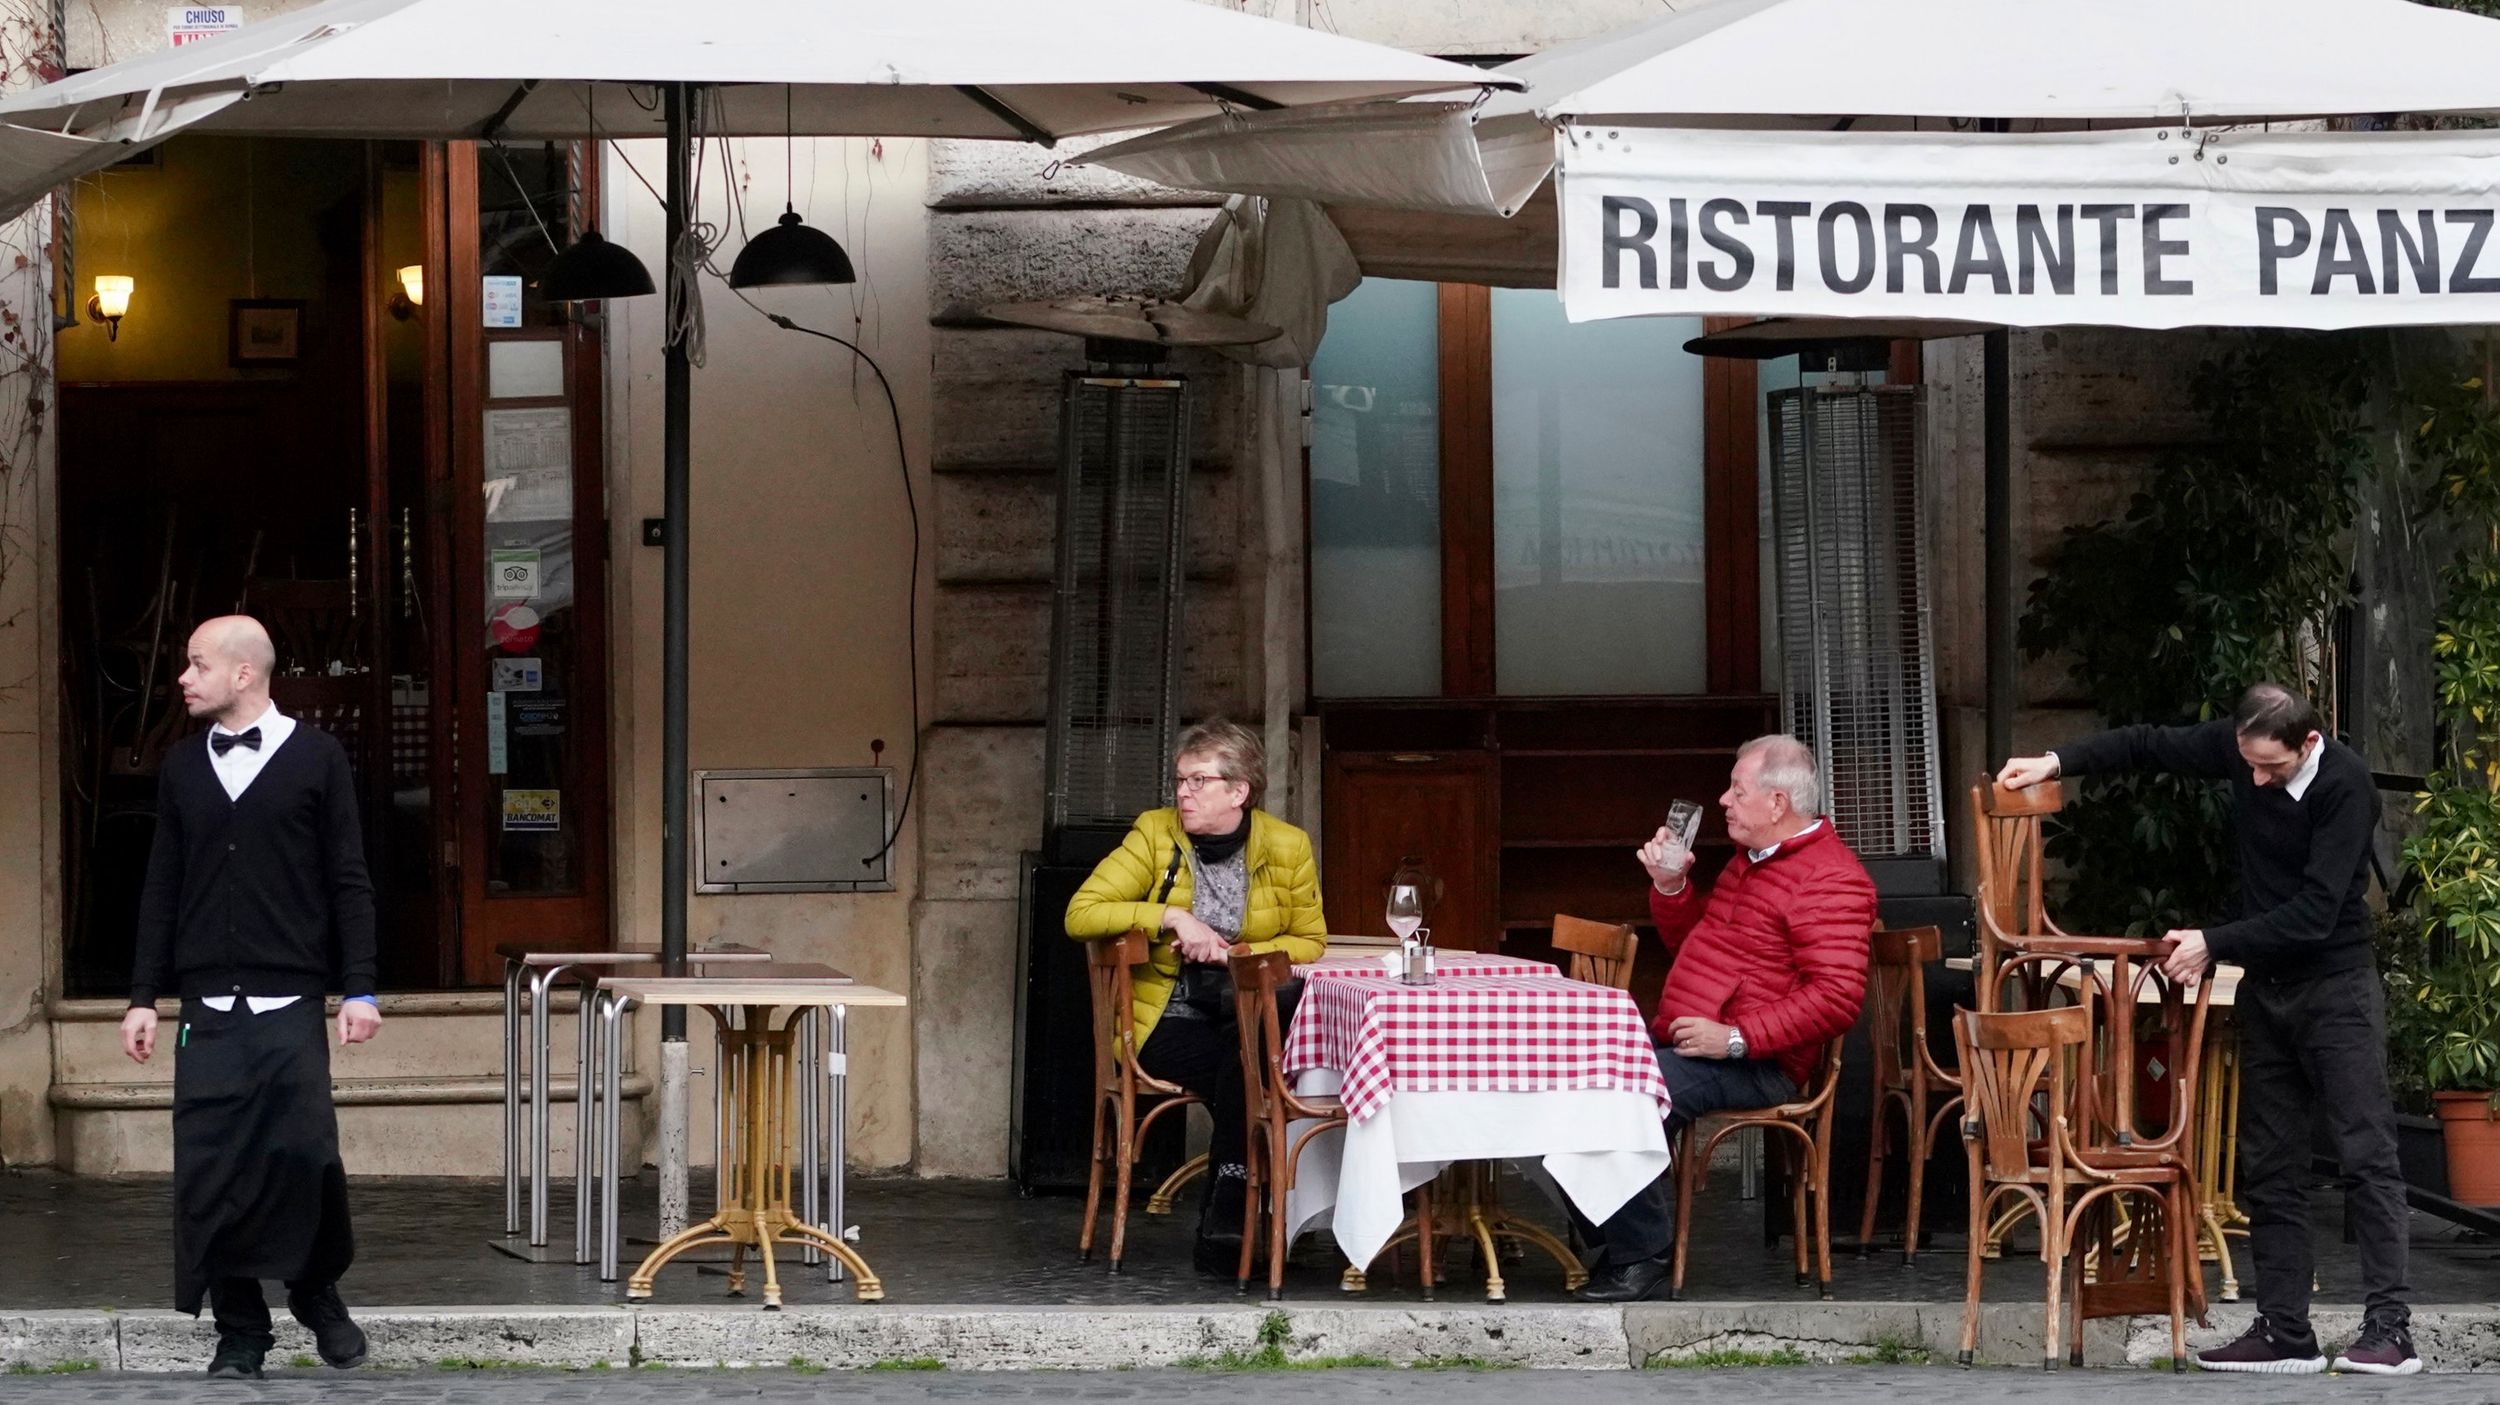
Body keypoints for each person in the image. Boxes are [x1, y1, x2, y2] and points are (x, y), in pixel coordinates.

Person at [1998, 682, 2418, 1376]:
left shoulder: (2345, 785)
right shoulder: (2244, 748)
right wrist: (2053, 760)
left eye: (2270, 768)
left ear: (2308, 743)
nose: (2254, 778)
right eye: (2247, 762)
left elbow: (2316, 912)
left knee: (2366, 1153)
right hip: (2268, 990)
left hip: (2336, 987)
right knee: (2271, 1161)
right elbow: (2145, 742)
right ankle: (2286, 1330)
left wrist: (2213, 940)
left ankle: (2391, 1330)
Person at [119, 616, 380, 1380]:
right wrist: (143, 995)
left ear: (242, 674)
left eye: (197, 664)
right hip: (206, 1007)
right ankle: (241, 1330)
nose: (183, 677)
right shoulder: (180, 767)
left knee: (304, 1157)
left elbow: (349, 881)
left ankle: (315, 1291)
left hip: (290, 1001)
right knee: (211, 1170)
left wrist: (358, 986)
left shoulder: (318, 759)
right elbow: (161, 886)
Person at [1576, 734, 1877, 1301]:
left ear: (1777, 804)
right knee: (1577, 1066)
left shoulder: (1830, 878)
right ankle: (1608, 1236)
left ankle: (1641, 1253)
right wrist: (1671, 886)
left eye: (1737, 790)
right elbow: (1697, 946)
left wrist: (1736, 1038)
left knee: (1624, 1094)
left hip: (1760, 1062)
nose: (1723, 800)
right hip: (1699, 1040)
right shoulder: (1753, 862)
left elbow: (1838, 998)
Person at [1065, 719, 1326, 1276]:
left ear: (1239, 791)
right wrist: (1172, 917)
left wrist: (1236, 950)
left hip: (1243, 1008)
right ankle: (1233, 1212)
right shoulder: (1154, 833)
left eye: (1199, 781)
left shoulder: (1286, 845)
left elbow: (1309, 942)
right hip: (1166, 1016)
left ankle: (1232, 1217)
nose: (1183, 793)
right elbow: (1080, 913)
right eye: (1180, 781)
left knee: (1257, 1043)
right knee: (1251, 1070)